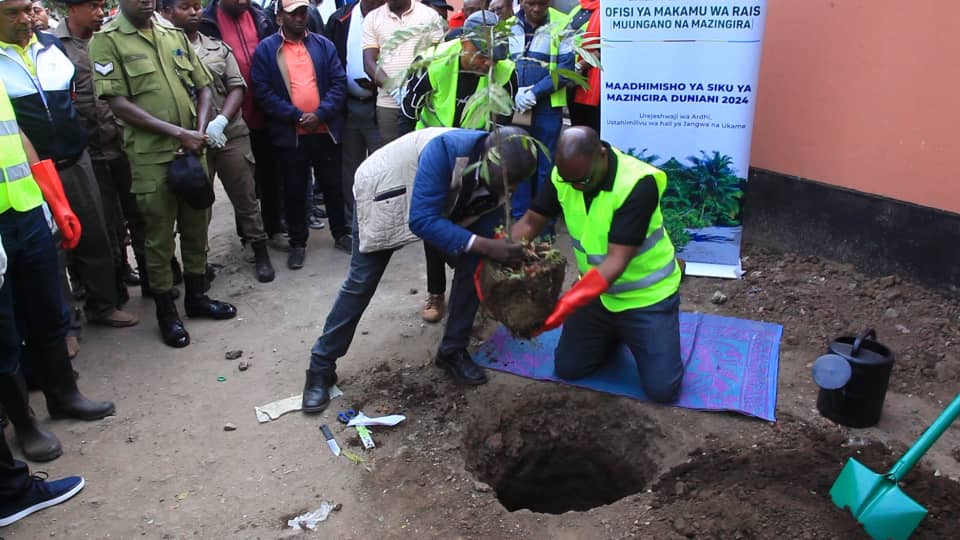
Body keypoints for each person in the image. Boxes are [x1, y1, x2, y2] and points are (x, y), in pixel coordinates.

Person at [300, 126, 537, 413]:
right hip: (387, 188)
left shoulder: (505, 166)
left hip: (443, 197)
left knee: (475, 263)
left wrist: (496, 248)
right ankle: (320, 367)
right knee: (362, 280)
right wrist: (485, 245)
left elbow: (484, 225)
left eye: (515, 186)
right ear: (485, 162)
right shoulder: (446, 151)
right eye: (506, 185)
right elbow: (422, 220)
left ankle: (452, 350)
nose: (511, 192)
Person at [90, 0, 238, 348]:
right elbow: (118, 103)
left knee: (196, 224)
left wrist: (197, 132)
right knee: (157, 236)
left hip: (191, 150)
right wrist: (177, 133)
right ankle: (165, 312)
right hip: (150, 158)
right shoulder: (107, 40)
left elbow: (202, 85)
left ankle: (197, 298)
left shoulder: (173, 33)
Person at [510, 126, 684, 403]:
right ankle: (614, 333)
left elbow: (616, 261)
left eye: (583, 180)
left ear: (601, 155)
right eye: (570, 181)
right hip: (597, 295)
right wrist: (502, 253)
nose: (576, 187)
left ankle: (644, 328)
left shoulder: (638, 183)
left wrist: (565, 306)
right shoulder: (565, 177)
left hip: (646, 298)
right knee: (569, 369)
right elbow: (531, 221)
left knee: (662, 390)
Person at [0, 0, 139, 329]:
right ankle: (65, 328)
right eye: (12, 13)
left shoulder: (50, 47)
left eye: (26, 10)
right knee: (50, 251)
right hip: (31, 171)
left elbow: (76, 98)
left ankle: (102, 305)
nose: (25, 19)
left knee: (94, 233)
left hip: (77, 159)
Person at [0, 78, 116, 465]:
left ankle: (64, 395)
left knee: (48, 308)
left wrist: (50, 195)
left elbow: (14, 132)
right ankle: (25, 423)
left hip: (27, 209)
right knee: (5, 330)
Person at [399, 9, 517, 324]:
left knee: (475, 221)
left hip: (475, 159)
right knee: (433, 223)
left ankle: (472, 291)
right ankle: (436, 292)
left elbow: (503, 124)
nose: (489, 63)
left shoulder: (505, 72)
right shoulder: (432, 61)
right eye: (482, 55)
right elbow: (407, 112)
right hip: (433, 156)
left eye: (494, 56)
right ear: (465, 43)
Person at [162, 0, 276, 283]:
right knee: (196, 207)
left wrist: (222, 120)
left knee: (246, 196)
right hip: (190, 141)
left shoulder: (216, 47)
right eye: (185, 8)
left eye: (197, 7)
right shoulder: (162, 52)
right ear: (167, 13)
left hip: (230, 133)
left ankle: (259, 250)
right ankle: (198, 264)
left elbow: (237, 86)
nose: (194, 13)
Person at [56, 0, 147, 305]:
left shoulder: (109, 37)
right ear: (72, 8)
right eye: (92, 6)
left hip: (121, 142)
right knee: (100, 223)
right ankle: (109, 282)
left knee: (136, 212)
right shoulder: (53, 47)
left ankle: (147, 274)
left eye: (102, 5)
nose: (99, 13)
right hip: (86, 151)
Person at [251, 0, 348, 270]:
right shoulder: (267, 49)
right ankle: (298, 242)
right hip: (291, 133)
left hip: (324, 129)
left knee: (332, 184)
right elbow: (263, 92)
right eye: (293, 13)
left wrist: (321, 113)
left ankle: (340, 233)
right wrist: (296, 116)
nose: (299, 18)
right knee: (294, 190)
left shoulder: (322, 45)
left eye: (303, 13)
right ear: (280, 16)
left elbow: (338, 82)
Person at [198, 0, 289, 252]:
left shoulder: (261, 17)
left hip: (266, 109)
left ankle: (274, 228)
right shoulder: (207, 23)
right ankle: (248, 237)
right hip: (230, 116)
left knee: (271, 174)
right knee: (242, 181)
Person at [508, 0, 574, 222]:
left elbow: (566, 69)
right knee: (519, 162)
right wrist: (513, 91)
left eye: (542, 3)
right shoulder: (509, 25)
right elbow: (500, 64)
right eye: (531, 3)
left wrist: (535, 92)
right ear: (521, 2)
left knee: (546, 167)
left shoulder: (562, 23)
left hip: (547, 107)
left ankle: (543, 225)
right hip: (516, 106)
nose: (537, 9)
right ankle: (520, 221)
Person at [322, 0, 385, 226]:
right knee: (350, 166)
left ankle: (382, 219)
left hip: (380, 105)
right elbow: (328, 61)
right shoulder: (341, 19)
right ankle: (354, 219)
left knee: (382, 164)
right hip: (348, 106)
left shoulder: (388, 17)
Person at [361, 0, 441, 143]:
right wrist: (396, 90)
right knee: (392, 156)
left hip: (423, 103)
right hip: (389, 103)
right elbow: (369, 63)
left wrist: (414, 92)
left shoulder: (430, 15)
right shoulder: (372, 18)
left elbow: (438, 58)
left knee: (423, 151)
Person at [565, 0, 600, 132]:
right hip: (574, 83)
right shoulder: (578, 8)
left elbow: (604, 48)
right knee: (577, 130)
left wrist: (579, 66)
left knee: (592, 131)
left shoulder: (609, 9)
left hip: (594, 83)